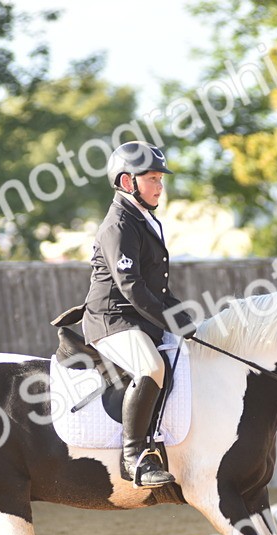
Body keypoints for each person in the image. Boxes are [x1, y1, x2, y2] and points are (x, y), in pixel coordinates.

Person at [82, 141, 196, 488]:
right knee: (151, 366)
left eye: (161, 179)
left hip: (138, 318)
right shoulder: (119, 224)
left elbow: (157, 288)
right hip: (112, 320)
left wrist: (185, 319)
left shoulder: (145, 220)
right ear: (127, 182)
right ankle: (133, 458)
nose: (160, 186)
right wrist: (171, 320)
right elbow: (131, 286)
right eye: (152, 179)